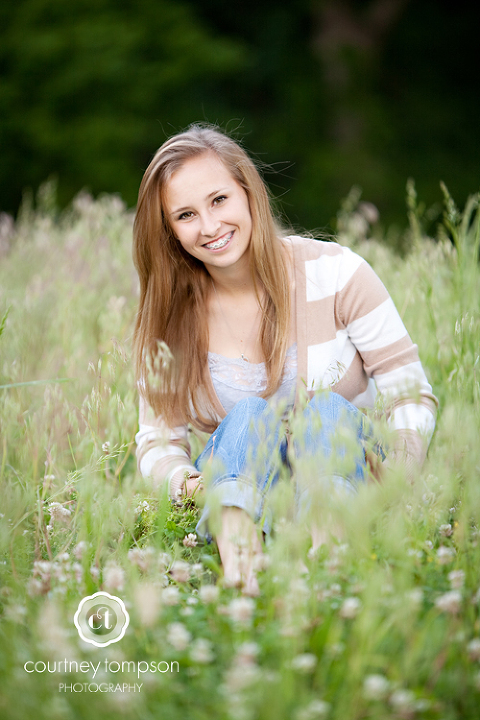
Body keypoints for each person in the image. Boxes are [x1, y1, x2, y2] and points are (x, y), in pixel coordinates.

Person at [132, 124, 437, 595]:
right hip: (241, 486)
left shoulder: (337, 273)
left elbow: (408, 389)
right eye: (186, 214)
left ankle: (330, 568)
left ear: (248, 192)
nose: (210, 227)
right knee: (251, 415)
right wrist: (191, 486)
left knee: (326, 412)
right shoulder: (170, 320)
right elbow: (157, 441)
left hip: (348, 481)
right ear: (169, 231)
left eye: (219, 200)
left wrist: (398, 474)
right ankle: (242, 573)